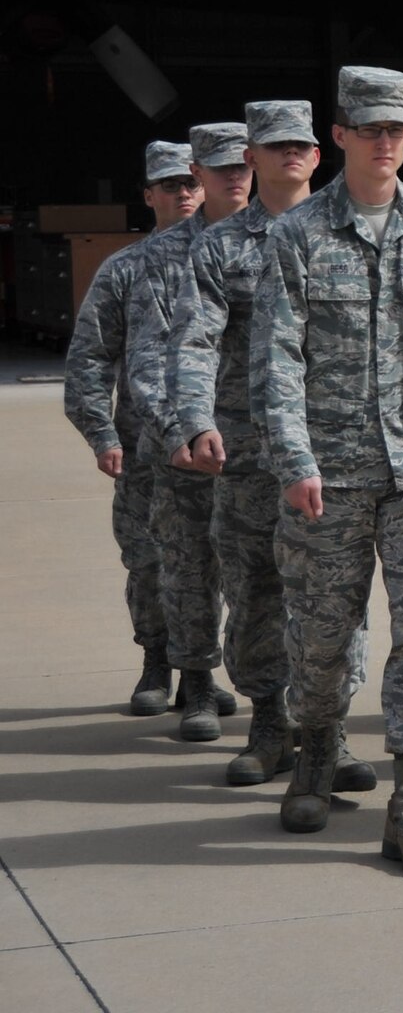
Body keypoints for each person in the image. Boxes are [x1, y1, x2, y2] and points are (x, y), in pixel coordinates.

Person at [253, 65, 403, 870]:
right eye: (371, 129)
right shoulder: (298, 235)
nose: (386, 142)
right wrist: (292, 458)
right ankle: (317, 747)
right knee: (323, 637)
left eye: (397, 129)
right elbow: (276, 358)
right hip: (330, 468)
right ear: (341, 135)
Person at [167, 100, 376, 791]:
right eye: (275, 145)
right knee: (256, 583)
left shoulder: (348, 234)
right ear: (248, 158)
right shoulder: (221, 247)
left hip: (338, 445)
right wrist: (195, 420)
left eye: (302, 145)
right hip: (252, 450)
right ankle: (268, 721)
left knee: (334, 591)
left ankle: (329, 728)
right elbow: (194, 341)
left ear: (320, 155)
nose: (291, 154)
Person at [63, 141, 200, 714]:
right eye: (171, 186)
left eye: (191, 183)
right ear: (148, 196)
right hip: (144, 445)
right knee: (148, 559)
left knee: (216, 562)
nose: (184, 194)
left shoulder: (236, 258)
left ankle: (202, 673)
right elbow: (90, 355)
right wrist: (101, 432)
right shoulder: (124, 269)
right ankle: (156, 658)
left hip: (222, 442)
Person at [127, 123, 253, 741]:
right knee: (189, 566)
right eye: (220, 167)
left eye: (242, 166)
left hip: (262, 443)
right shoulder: (160, 256)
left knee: (267, 573)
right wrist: (179, 429)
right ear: (198, 174)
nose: (235, 177)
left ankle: (276, 694)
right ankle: (198, 683)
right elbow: (149, 357)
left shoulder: (281, 237)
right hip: (187, 450)